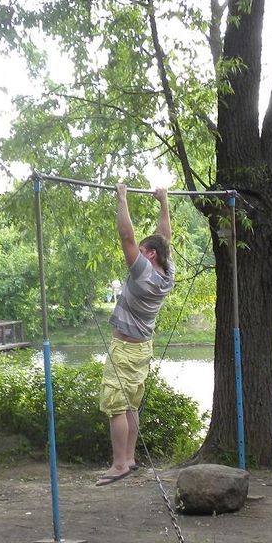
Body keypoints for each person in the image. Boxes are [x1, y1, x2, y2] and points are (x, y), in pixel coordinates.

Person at [96, 184, 173, 486]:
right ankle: (128, 459)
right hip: (142, 348)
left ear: (150, 255)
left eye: (142, 252)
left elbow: (126, 236)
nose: (134, 255)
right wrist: (164, 203)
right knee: (129, 405)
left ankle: (118, 465)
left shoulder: (143, 273)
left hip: (126, 349)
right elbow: (165, 236)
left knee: (116, 405)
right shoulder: (168, 272)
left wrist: (122, 197)